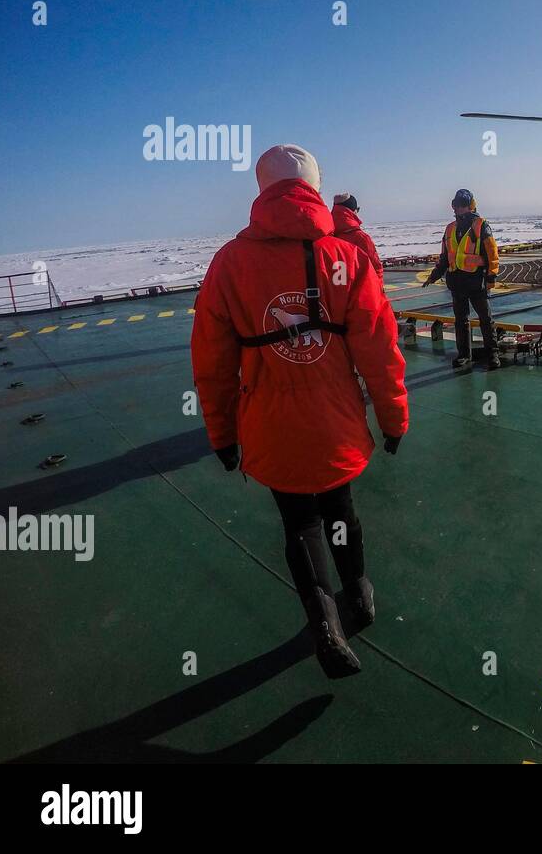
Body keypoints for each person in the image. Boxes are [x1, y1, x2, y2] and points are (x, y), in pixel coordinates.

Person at [190, 144, 409, 680]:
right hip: (334, 420)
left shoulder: (228, 263)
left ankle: (326, 626)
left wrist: (222, 434)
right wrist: (393, 417)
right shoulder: (348, 257)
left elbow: (212, 361)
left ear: (261, 189)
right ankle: (359, 594)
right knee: (341, 512)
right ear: (313, 186)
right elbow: (379, 349)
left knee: (299, 523)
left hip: (270, 423)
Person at [424, 188, 501, 370]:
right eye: (455, 205)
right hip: (457, 282)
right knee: (461, 320)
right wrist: (434, 276)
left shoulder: (481, 225)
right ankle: (464, 355)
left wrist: (491, 278)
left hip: (476, 281)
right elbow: (445, 257)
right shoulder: (450, 228)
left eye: (459, 206)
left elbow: (492, 254)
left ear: (468, 206)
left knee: (485, 319)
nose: (456, 209)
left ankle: (493, 354)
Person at [332, 193, 385, 281]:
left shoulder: (326, 236)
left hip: (334, 291)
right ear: (355, 210)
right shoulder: (361, 238)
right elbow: (376, 270)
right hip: (359, 291)